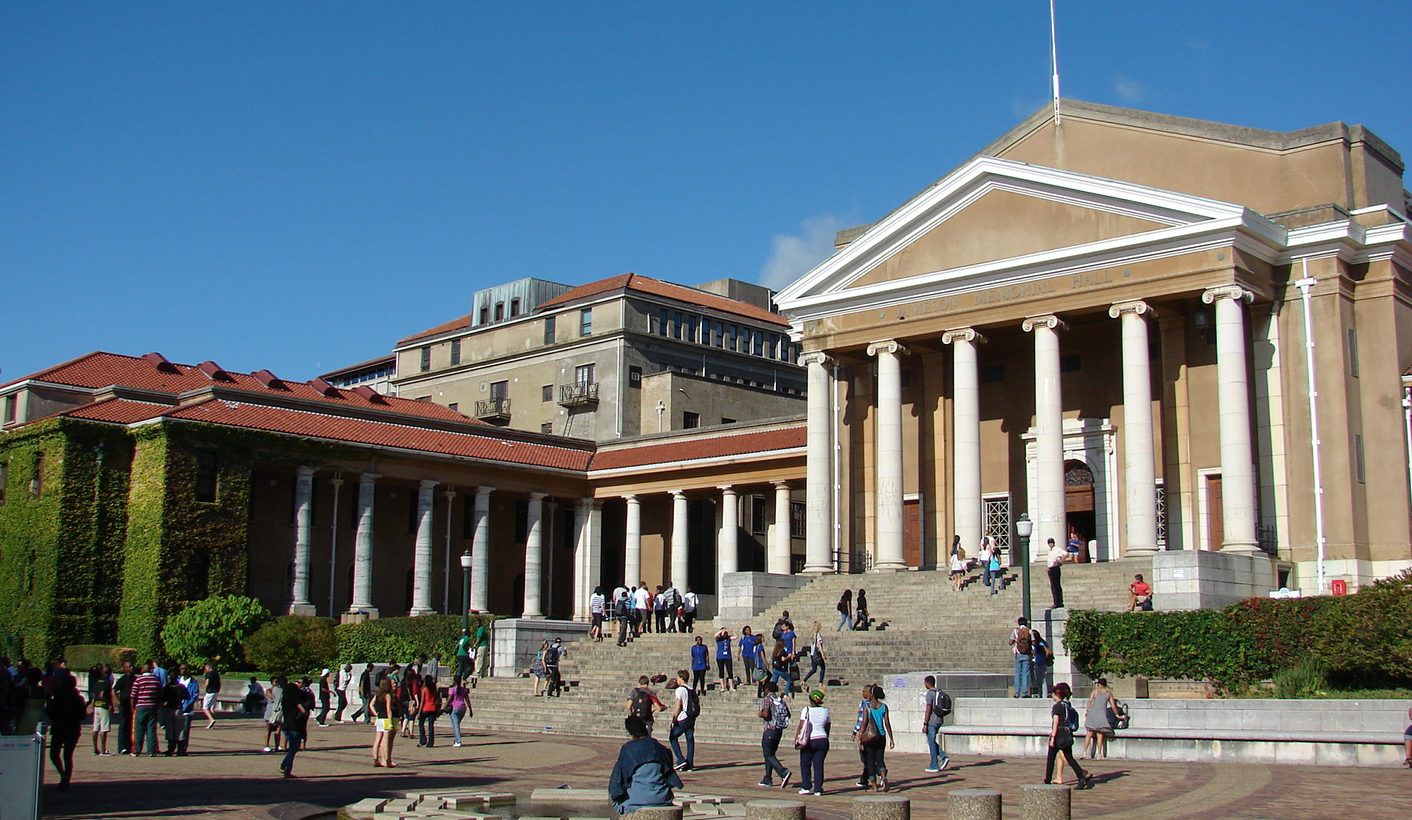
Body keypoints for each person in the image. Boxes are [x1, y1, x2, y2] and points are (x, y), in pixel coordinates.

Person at [609, 715, 684, 815]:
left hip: (636, 802)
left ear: (632, 734)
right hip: (662, 799)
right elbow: (669, 778)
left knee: (615, 802)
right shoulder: (660, 748)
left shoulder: (628, 749)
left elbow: (617, 782)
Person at [1044, 682, 1092, 788]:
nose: (1052, 696)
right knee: (1069, 757)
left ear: (1057, 695)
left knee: (1051, 758)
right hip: (1067, 734)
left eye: (1053, 694)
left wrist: (1053, 736)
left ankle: (1047, 780)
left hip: (1059, 735)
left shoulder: (1057, 707)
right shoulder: (1067, 705)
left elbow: (1056, 722)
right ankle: (1081, 778)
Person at [47, 672, 85, 790]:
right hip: (73, 728)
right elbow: (82, 715)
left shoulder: (58, 697)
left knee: (54, 754)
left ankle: (63, 774)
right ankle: (66, 779)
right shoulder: (78, 698)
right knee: (68, 755)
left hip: (59, 727)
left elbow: (50, 713)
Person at [858, 684, 894, 792]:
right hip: (881, 736)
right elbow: (887, 723)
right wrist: (891, 738)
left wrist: (860, 737)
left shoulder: (867, 707)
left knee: (870, 760)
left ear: (872, 695)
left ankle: (874, 785)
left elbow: (864, 723)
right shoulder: (884, 707)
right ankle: (883, 777)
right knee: (880, 759)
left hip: (870, 736)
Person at [795, 688, 831, 796]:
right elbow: (827, 726)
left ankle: (806, 786)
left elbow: (801, 726)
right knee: (818, 764)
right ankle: (818, 789)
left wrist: (797, 737)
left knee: (805, 763)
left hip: (810, 739)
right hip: (822, 739)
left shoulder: (806, 710)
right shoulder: (825, 711)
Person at [756, 680, 791, 788]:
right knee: (770, 754)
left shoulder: (768, 699)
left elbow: (766, 714)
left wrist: (760, 714)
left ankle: (783, 772)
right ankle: (767, 778)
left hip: (770, 729)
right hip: (779, 730)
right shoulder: (780, 700)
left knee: (768, 754)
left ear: (767, 689)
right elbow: (788, 714)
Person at [279, 677, 311, 778]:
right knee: (293, 749)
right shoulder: (296, 700)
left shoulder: (285, 701)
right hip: (293, 726)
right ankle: (286, 769)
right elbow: (303, 711)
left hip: (286, 725)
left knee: (293, 748)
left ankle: (284, 765)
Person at [1082, 677, 1119, 760]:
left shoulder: (1095, 692)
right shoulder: (1108, 693)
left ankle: (1085, 752)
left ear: (1100, 684)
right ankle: (1099, 754)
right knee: (1100, 734)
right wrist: (1117, 714)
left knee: (1089, 733)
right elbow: (1113, 706)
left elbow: (1090, 701)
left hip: (1093, 713)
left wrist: (1087, 710)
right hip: (1102, 714)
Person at [130, 662, 161, 756]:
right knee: (151, 729)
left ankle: (137, 750)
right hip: (152, 706)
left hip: (141, 706)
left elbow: (133, 695)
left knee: (139, 729)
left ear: (143, 669)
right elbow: (160, 694)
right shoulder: (156, 680)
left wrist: (132, 708)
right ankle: (151, 751)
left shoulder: (139, 680)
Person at [922, 675, 952, 772]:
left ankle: (934, 765)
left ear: (927, 683)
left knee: (931, 741)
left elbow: (928, 709)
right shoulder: (939, 691)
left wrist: (925, 723)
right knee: (931, 740)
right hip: (939, 719)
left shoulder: (930, 694)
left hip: (932, 721)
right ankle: (943, 757)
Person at [668, 669, 696, 772]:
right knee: (690, 740)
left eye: (678, 678)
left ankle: (680, 759)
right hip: (691, 717)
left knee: (673, 737)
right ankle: (690, 764)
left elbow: (678, 706)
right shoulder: (691, 689)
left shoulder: (679, 690)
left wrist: (673, 719)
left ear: (681, 678)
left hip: (682, 717)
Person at [371, 677, 398, 768]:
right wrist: (390, 724)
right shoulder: (387, 695)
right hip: (386, 719)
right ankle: (386, 760)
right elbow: (389, 710)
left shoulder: (378, 694)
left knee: (377, 740)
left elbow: (371, 704)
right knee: (386, 740)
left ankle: (375, 758)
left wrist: (376, 714)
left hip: (379, 719)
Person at [88, 663, 113, 756]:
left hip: (96, 705)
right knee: (104, 728)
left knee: (95, 728)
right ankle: (103, 749)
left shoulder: (97, 681)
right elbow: (103, 694)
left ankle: (95, 749)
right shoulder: (107, 682)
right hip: (103, 706)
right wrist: (108, 704)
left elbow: (94, 694)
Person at [112, 661, 135, 755]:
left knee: (131, 727)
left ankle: (130, 746)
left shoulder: (135, 679)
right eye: (129, 666)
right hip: (124, 706)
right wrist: (118, 702)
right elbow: (113, 690)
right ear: (125, 668)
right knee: (123, 726)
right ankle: (122, 747)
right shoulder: (123, 679)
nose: (132, 668)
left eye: (132, 666)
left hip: (133, 706)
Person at [1010, 617, 1034, 698]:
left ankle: (1016, 693)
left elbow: (1010, 642)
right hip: (1027, 653)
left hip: (1018, 653)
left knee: (1017, 673)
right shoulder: (1029, 631)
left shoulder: (1015, 631)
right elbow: (1034, 642)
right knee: (1025, 673)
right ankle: (1025, 693)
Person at [263, 676, 285, 753]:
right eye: (275, 681)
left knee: (278, 728)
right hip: (270, 710)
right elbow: (273, 698)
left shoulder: (280, 690)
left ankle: (277, 745)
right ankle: (266, 745)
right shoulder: (269, 690)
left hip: (277, 710)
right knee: (269, 728)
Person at [448, 674, 471, 747]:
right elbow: (467, 700)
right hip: (462, 707)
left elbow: (449, 699)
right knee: (456, 724)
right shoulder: (463, 689)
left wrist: (443, 707)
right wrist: (470, 710)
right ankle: (456, 739)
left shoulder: (452, 689)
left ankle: (458, 741)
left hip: (454, 707)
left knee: (455, 725)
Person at [418, 674, 441, 747]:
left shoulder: (424, 689)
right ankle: (431, 743)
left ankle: (423, 739)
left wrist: (419, 711)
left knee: (421, 723)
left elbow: (422, 701)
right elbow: (437, 699)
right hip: (433, 707)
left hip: (425, 707)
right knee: (431, 726)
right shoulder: (434, 688)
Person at [1047, 537, 1070, 609]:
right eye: (1049, 543)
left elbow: (1066, 554)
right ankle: (1055, 602)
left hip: (1055, 567)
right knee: (1053, 586)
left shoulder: (1057, 549)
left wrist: (1060, 561)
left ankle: (1059, 602)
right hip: (1050, 568)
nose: (1050, 544)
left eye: (1051, 543)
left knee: (1057, 585)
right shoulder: (1049, 551)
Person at [714, 628, 736, 693]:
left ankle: (731, 687)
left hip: (728, 657)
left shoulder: (728, 638)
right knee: (721, 671)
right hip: (720, 657)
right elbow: (715, 635)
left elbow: (736, 636)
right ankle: (723, 687)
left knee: (730, 671)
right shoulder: (718, 639)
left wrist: (731, 630)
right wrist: (721, 631)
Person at [201, 662, 220, 729]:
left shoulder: (209, 674)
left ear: (207, 667)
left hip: (210, 691)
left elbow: (207, 682)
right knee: (212, 707)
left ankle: (211, 719)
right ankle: (210, 722)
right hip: (216, 691)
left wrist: (205, 688)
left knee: (205, 707)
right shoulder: (216, 673)